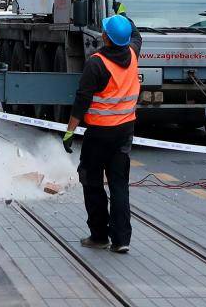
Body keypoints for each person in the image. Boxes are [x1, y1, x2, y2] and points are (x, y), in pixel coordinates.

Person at [62, 14, 138, 254]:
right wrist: (124, 16)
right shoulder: (133, 54)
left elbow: (82, 99)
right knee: (119, 184)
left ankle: (99, 236)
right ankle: (121, 239)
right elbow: (136, 35)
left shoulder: (96, 63)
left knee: (92, 182)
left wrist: (70, 131)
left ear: (105, 37)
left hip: (99, 135)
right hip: (125, 132)